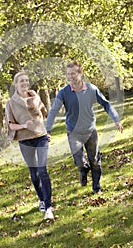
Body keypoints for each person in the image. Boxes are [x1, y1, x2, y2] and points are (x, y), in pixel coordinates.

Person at [45, 61, 123, 194]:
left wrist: (116, 119)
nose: (71, 77)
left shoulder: (91, 89)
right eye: (68, 74)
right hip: (73, 132)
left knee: (95, 161)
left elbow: (106, 104)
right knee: (80, 161)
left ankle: (96, 187)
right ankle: (83, 170)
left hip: (90, 131)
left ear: (80, 73)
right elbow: (53, 111)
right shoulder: (64, 92)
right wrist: (47, 129)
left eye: (73, 73)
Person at [5, 71, 54, 220]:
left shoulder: (35, 97)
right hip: (25, 140)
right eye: (21, 81)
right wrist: (24, 125)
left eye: (27, 80)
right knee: (34, 173)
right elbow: (11, 126)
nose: (25, 83)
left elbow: (43, 114)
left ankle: (48, 207)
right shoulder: (11, 103)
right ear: (16, 84)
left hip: (41, 138)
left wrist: (45, 131)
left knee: (42, 170)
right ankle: (41, 199)